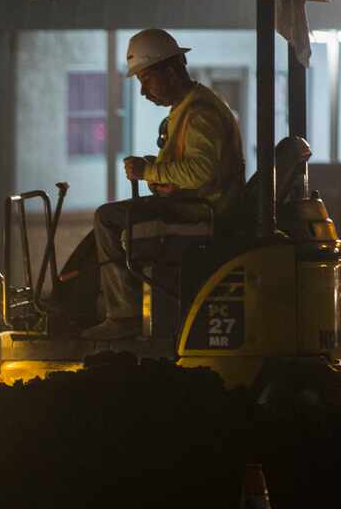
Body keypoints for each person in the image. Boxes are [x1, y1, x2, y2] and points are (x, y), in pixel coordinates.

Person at [87, 28, 246, 340]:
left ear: (171, 71)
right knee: (117, 220)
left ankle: (123, 317)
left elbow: (201, 171)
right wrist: (155, 168)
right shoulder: (190, 108)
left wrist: (149, 171)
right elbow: (190, 165)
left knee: (107, 220)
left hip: (202, 215)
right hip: (196, 209)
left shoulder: (200, 113)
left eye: (146, 80)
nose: (144, 92)